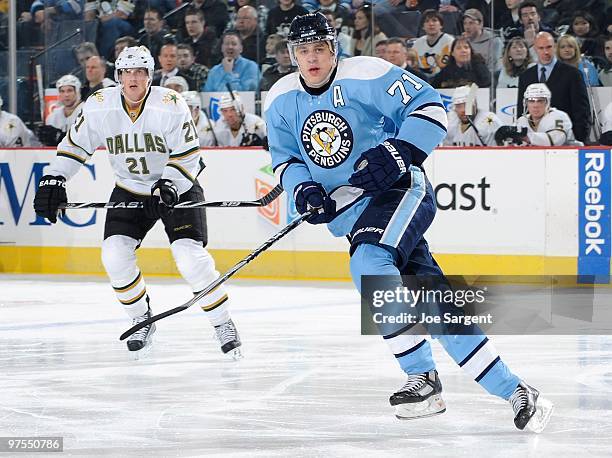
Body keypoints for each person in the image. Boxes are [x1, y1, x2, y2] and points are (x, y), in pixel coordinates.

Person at [265, 12, 553, 431]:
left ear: (335, 49)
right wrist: (304, 190)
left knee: (367, 265)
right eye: (303, 50)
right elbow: (286, 158)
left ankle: (422, 376)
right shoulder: (280, 98)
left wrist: (399, 151)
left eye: (320, 49)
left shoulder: (368, 74)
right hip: (356, 213)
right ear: (292, 55)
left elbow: (431, 106)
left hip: (400, 192)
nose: (312, 58)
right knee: (436, 305)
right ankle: (516, 391)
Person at [32, 46, 243, 359]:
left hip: (177, 187)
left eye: (140, 71)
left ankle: (222, 323)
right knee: (114, 254)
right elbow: (75, 146)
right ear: (117, 76)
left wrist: (168, 186)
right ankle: (140, 319)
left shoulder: (170, 105)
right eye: (127, 72)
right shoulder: (99, 106)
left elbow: (188, 156)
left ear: (150, 75)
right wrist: (54, 178)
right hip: (129, 188)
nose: (133, 78)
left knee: (189, 257)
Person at [517, 32, 591, 143]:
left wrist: (578, 140)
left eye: (549, 47)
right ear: (535, 49)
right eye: (541, 48)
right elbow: (522, 110)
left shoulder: (573, 74)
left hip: (567, 142)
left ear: (555, 47)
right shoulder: (526, 76)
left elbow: (581, 111)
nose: (545, 52)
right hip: (533, 144)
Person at [497, 83, 577, 146]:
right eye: (531, 101)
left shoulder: (559, 117)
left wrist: (525, 137)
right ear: (526, 103)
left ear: (547, 103)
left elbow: (554, 141)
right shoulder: (522, 121)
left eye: (540, 101)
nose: (535, 105)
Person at [201, 92, 266, 147]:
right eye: (225, 111)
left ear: (242, 108)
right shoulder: (219, 127)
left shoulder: (257, 124)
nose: (229, 115)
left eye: (233, 109)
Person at [40, 74, 84, 146]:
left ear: (77, 92)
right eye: (62, 91)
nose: (66, 95)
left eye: (70, 90)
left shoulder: (86, 111)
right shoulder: (53, 116)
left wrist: (61, 137)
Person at [412, 9, 454, 77]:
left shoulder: (449, 41)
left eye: (434, 20)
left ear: (441, 25)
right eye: (427, 21)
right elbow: (413, 66)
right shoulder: (417, 43)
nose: (431, 24)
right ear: (423, 26)